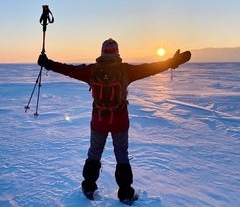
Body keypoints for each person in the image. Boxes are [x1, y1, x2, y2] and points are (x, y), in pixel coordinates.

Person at [37, 38, 191, 204]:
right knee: (121, 154)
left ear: (102, 51)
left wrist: (48, 63)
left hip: (98, 120)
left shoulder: (92, 70)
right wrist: (171, 62)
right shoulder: (126, 70)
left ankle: (89, 186)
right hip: (120, 120)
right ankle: (125, 193)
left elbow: (70, 70)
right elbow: (150, 68)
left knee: (94, 153)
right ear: (117, 52)